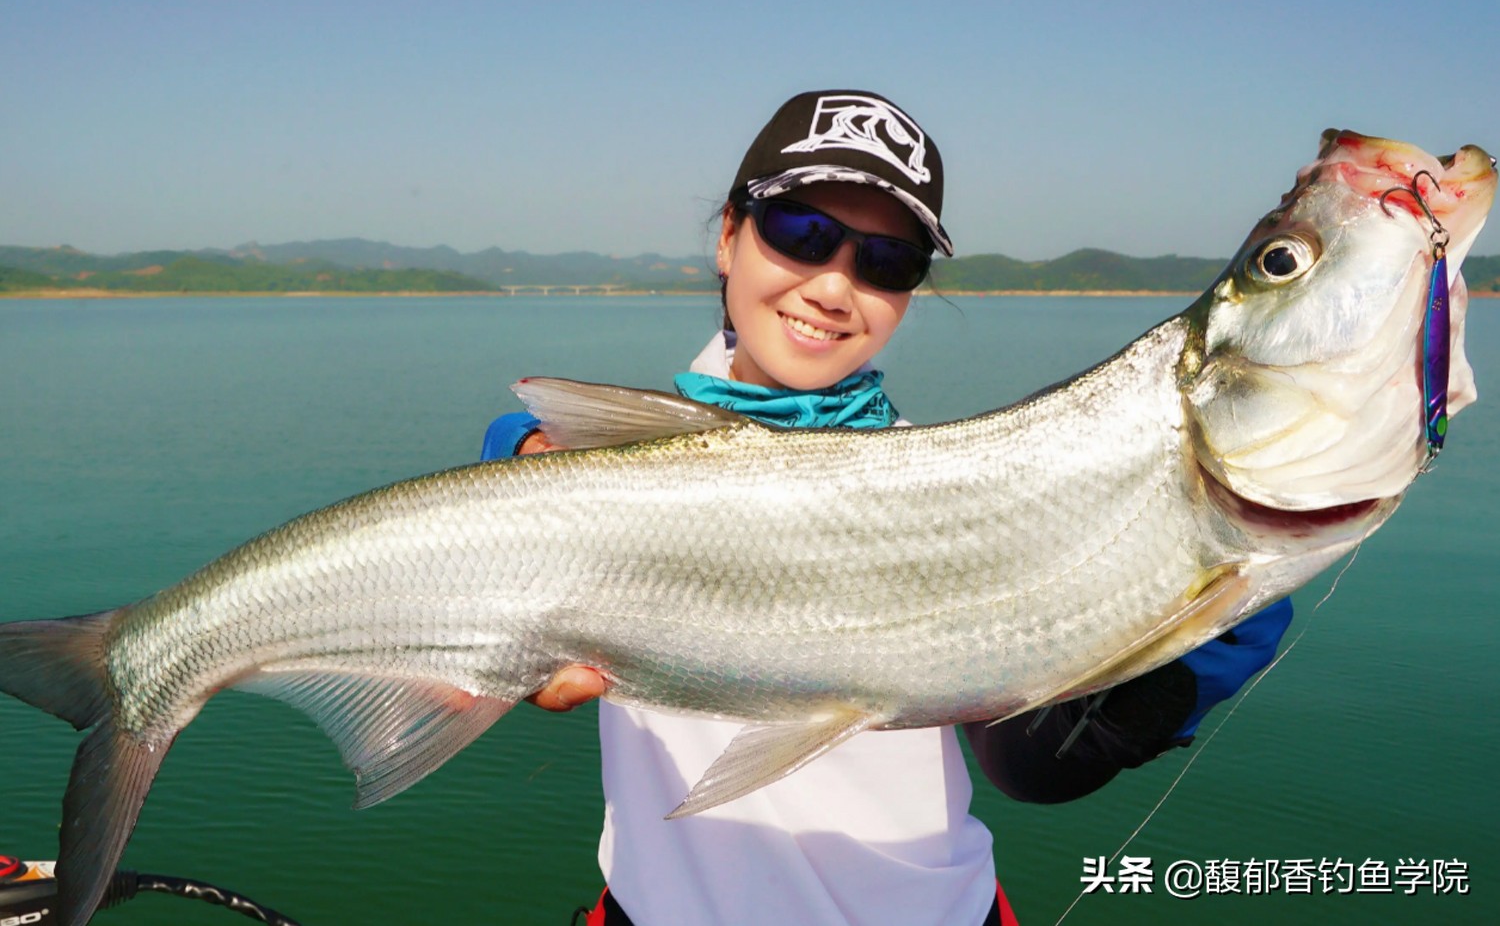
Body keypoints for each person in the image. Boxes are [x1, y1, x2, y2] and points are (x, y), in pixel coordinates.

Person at [481, 90, 1293, 926]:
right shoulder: (608, 459)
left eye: (887, 262)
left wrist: (1177, 664)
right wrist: (520, 463)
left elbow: (1027, 765)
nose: (835, 285)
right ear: (728, 236)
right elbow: (506, 464)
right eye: (800, 232)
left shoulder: (960, 494)